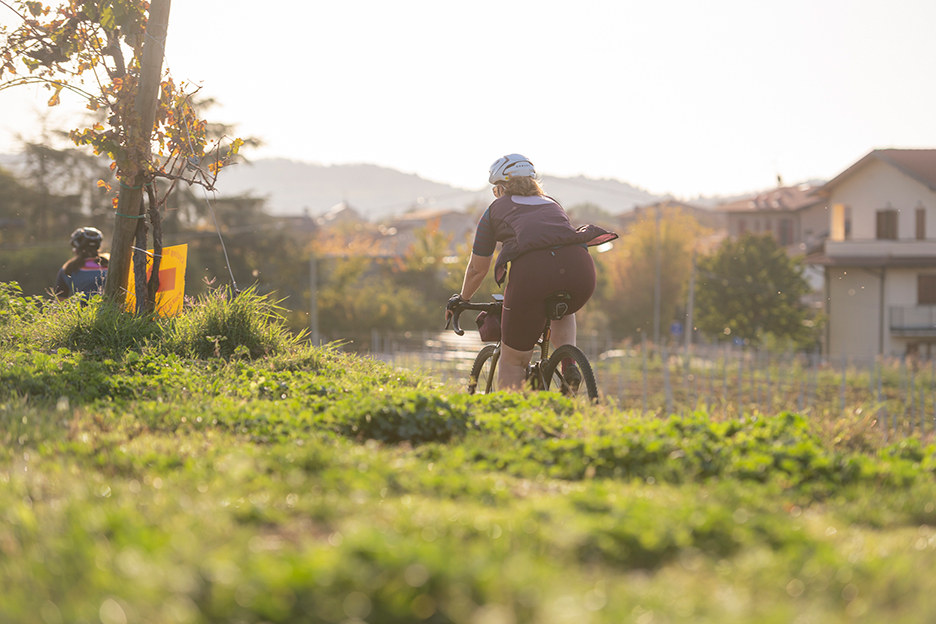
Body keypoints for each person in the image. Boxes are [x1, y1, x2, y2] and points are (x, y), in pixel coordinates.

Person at [446, 154, 617, 391]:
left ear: (501, 188)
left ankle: (513, 418)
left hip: (533, 274)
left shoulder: (495, 210)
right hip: (581, 270)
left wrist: (462, 299)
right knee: (564, 306)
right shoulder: (551, 203)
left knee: (514, 361)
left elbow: (477, 269)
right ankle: (568, 361)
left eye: (496, 190)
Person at [54, 227, 108, 301]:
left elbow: (60, 300)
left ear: (76, 247)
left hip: (82, 310)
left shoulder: (68, 269)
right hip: (111, 310)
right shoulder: (109, 265)